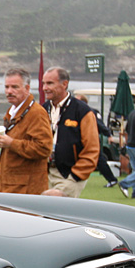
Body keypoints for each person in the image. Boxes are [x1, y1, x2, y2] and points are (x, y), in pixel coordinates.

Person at [0, 68, 53, 194]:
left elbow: (44, 148)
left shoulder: (36, 113)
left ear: (27, 89)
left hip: (26, 190)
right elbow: (7, 151)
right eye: (7, 87)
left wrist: (11, 143)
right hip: (8, 185)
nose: (9, 91)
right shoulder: (12, 111)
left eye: (14, 87)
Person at [42, 67, 100, 198]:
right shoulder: (42, 109)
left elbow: (92, 149)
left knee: (55, 208)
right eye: (43, 83)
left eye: (50, 83)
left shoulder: (82, 111)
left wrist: (75, 176)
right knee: (43, 213)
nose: (45, 88)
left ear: (65, 84)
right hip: (45, 173)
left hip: (69, 175)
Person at [76, 93, 118, 187]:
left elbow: (100, 124)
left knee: (99, 159)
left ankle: (112, 179)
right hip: (79, 139)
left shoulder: (90, 112)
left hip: (91, 138)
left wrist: (108, 135)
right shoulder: (75, 112)